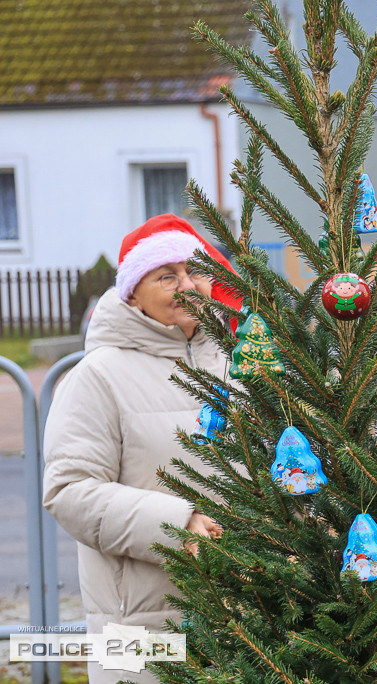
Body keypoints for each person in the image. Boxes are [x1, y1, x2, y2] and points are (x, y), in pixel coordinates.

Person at [43, 214, 239, 684]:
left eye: (195, 271)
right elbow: (69, 491)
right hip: (141, 628)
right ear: (132, 293)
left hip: (244, 622)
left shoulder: (239, 365)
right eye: (167, 276)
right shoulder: (98, 376)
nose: (187, 285)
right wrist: (177, 526)